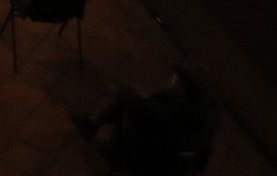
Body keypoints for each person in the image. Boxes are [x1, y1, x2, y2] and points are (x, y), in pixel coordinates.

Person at [71, 63, 219, 170]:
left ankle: (111, 149)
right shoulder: (210, 113)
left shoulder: (171, 112)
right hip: (180, 166)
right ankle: (93, 124)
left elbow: (141, 111)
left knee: (125, 98)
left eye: (177, 77)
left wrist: (166, 94)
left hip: (149, 160)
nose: (173, 77)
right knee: (130, 101)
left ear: (183, 88)